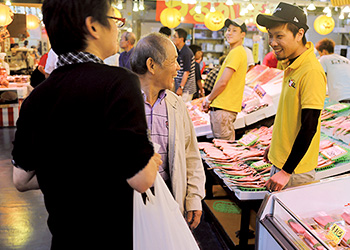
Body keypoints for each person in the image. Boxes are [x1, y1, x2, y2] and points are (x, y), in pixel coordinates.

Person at [11, 0, 161, 249]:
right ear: (93, 26)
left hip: (63, 240)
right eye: (115, 21)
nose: (118, 29)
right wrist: (153, 158)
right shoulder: (120, 83)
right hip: (112, 239)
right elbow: (141, 179)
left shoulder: (36, 98)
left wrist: (67, 171)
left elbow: (21, 179)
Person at [130, 32, 205, 230]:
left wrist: (194, 198)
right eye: (173, 61)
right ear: (152, 65)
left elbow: (191, 156)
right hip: (131, 206)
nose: (178, 68)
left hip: (169, 202)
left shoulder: (177, 105)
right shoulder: (124, 104)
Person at [257, 2, 326, 191]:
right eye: (270, 36)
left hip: (295, 172)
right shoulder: (292, 65)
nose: (272, 42)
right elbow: (290, 116)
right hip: (283, 164)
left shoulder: (310, 70)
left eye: (279, 36)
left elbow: (309, 125)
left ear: (299, 34)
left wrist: (286, 171)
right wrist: (276, 147)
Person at [202, 18, 248, 140]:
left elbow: (223, 82)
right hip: (223, 109)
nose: (229, 33)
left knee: (224, 151)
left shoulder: (236, 52)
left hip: (224, 109)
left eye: (234, 31)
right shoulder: (235, 52)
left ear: (242, 34)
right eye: (228, 30)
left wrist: (208, 99)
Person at [316, 38, 350, 103]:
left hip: (340, 98)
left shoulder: (324, 58)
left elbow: (319, 78)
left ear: (324, 51)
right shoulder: (346, 60)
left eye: (319, 53)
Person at [172, 28, 196, 102]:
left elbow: (186, 72)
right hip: (181, 88)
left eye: (175, 37)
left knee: (183, 110)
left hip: (186, 90)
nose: (173, 39)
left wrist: (180, 88)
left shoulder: (186, 52)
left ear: (181, 39)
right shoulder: (179, 50)